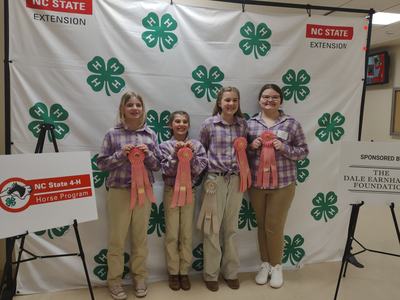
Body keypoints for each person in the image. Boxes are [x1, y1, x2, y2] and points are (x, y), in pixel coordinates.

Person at [97, 91, 160, 299]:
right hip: (119, 191)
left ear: (143, 109)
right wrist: (120, 154)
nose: (134, 108)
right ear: (122, 109)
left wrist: (148, 154)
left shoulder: (150, 134)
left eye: (138, 105)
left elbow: (157, 165)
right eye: (130, 105)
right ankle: (114, 280)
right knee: (117, 239)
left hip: (144, 192)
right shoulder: (112, 134)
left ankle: (139, 277)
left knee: (140, 238)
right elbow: (101, 164)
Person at [247, 83, 308, 289]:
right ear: (259, 100)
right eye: (265, 97)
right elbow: (241, 154)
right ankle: (264, 264)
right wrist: (251, 147)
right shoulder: (250, 124)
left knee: (274, 226)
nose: (269, 100)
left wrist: (284, 148)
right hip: (257, 184)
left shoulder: (291, 124)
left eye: (274, 97)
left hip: (283, 183)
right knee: (262, 225)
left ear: (280, 100)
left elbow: (303, 151)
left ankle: (277, 266)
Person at [198, 86, 248, 292]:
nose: (231, 104)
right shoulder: (209, 125)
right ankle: (211, 273)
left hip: (236, 179)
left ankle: (231, 272)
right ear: (219, 102)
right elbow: (201, 151)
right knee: (212, 227)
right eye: (227, 100)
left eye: (235, 100)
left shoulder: (243, 125)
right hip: (214, 181)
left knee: (231, 227)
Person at [159, 111, 208, 291]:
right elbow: (165, 170)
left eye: (185, 121)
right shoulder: (164, 146)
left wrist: (191, 155)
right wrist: (175, 154)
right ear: (171, 124)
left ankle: (184, 271)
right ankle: (173, 272)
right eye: (177, 121)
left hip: (189, 192)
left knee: (186, 233)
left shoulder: (197, 145)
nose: (181, 124)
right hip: (171, 191)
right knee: (172, 234)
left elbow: (199, 169)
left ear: (188, 124)